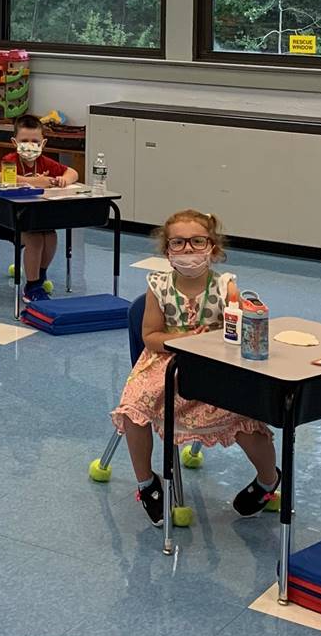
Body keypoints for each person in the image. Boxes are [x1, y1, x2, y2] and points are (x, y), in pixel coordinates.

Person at [110, 209, 281, 525]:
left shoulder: (225, 286)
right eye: (179, 243)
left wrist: (242, 317)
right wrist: (187, 340)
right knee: (134, 408)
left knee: (247, 420)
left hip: (215, 365)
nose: (188, 249)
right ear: (168, 251)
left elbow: (236, 332)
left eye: (197, 241)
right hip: (165, 361)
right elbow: (150, 337)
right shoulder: (158, 286)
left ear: (212, 248)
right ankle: (147, 483)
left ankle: (268, 480)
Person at [2, 114, 79, 295]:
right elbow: (4, 178)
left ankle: (40, 274)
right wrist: (40, 181)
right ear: (15, 142)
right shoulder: (10, 159)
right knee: (35, 239)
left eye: (35, 141)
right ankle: (32, 285)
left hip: (39, 217)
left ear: (43, 144)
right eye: (24, 140)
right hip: (13, 220)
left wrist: (63, 180)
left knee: (50, 236)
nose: (30, 145)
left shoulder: (44, 162)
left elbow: (72, 173)